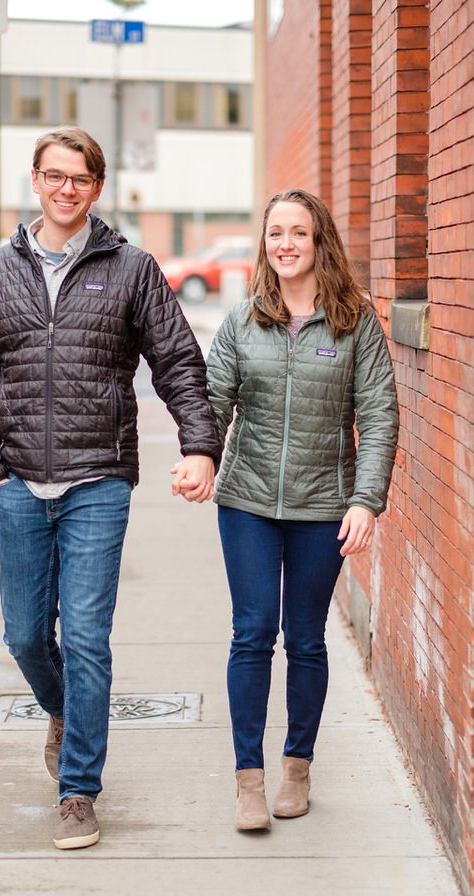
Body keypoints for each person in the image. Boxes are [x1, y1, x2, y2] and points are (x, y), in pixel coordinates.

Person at [0, 126, 222, 850]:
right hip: (16, 483)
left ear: (96, 187)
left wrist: (201, 445)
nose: (65, 188)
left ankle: (79, 790)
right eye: (54, 176)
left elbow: (177, 363)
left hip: (97, 480)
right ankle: (68, 712)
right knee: (22, 633)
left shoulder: (132, 269)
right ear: (35, 181)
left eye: (79, 178)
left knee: (87, 638)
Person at [204, 188, 398, 831]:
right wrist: (199, 455)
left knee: (307, 639)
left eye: (299, 233)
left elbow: (378, 413)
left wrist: (366, 500)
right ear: (265, 243)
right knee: (253, 632)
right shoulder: (243, 320)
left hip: (323, 506)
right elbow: (212, 401)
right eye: (276, 233)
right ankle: (248, 780)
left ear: (320, 244)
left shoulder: (354, 322)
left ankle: (297, 768)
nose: (286, 244)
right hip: (248, 502)